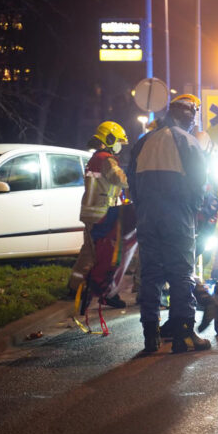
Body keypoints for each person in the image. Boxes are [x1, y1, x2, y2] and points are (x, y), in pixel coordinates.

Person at [128, 94, 210, 354]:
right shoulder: (187, 141)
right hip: (177, 218)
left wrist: (142, 209)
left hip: (148, 217)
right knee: (180, 274)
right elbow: (199, 182)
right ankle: (184, 336)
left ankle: (150, 337)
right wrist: (193, 209)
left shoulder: (144, 141)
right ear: (189, 115)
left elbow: (132, 181)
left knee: (150, 275)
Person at [67, 121, 129, 309]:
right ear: (109, 139)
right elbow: (122, 180)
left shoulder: (95, 158)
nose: (119, 145)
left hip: (91, 213)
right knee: (107, 256)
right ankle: (106, 292)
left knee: (88, 253)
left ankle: (74, 286)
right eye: (118, 141)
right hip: (102, 215)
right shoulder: (106, 160)